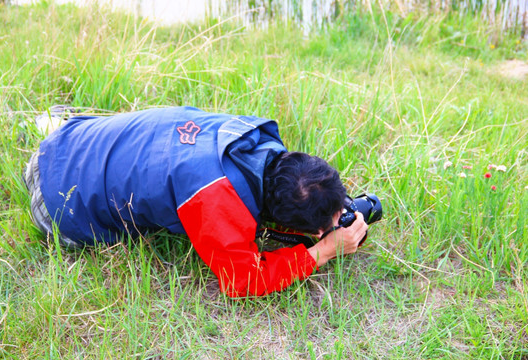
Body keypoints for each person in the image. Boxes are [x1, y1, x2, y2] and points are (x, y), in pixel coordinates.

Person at [24, 106, 368, 297]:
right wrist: (322, 250)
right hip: (58, 206)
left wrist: (324, 209)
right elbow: (242, 281)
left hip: (69, 137)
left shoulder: (248, 136)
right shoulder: (217, 198)